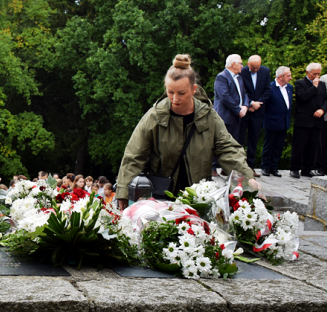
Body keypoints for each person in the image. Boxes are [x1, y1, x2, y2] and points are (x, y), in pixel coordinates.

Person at [116, 54, 256, 208]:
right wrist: (123, 192)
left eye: (181, 93)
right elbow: (134, 156)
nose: (175, 99)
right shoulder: (154, 116)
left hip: (198, 201)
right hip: (160, 200)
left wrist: (248, 179)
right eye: (170, 92)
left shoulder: (209, 116)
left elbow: (229, 150)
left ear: (193, 89)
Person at [290, 63, 327, 179]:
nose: (317, 76)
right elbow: (303, 97)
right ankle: (294, 168)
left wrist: (322, 109)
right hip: (304, 120)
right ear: (308, 73)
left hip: (317, 120)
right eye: (314, 74)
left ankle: (307, 168)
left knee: (313, 146)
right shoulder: (300, 83)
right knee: (299, 146)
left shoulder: (322, 84)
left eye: (319, 73)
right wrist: (314, 87)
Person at [239, 55, 271, 175]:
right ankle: (238, 165)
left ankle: (250, 166)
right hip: (245, 110)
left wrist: (258, 104)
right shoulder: (242, 72)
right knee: (240, 139)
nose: (255, 69)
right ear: (248, 64)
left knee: (254, 140)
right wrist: (250, 103)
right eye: (253, 67)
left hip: (258, 111)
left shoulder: (265, 71)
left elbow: (268, 89)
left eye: (257, 67)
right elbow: (241, 90)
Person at [261, 67, 293, 177]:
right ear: (280, 77)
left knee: (279, 146)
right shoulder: (270, 87)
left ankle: (274, 166)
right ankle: (265, 166)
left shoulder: (290, 88)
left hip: (284, 121)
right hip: (272, 121)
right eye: (288, 75)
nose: (290, 78)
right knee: (268, 145)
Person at [214, 54, 249, 148]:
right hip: (225, 118)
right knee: (222, 146)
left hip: (237, 119)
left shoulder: (239, 78)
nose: (242, 66)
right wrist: (238, 110)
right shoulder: (221, 77)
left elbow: (244, 93)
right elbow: (225, 97)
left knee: (234, 146)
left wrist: (245, 106)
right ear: (233, 64)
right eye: (241, 63)